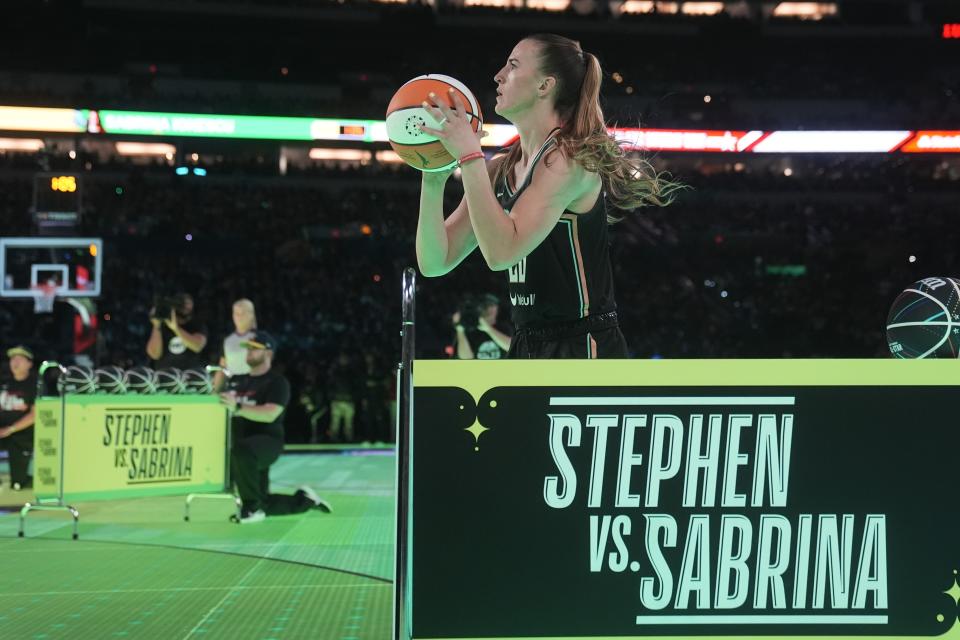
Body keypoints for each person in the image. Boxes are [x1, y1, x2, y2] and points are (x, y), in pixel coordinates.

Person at [416, 33, 682, 358]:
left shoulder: (568, 160)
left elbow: (502, 253)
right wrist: (432, 179)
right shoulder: (500, 168)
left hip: (583, 346)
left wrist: (470, 158)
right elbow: (434, 262)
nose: (498, 75)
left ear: (545, 86)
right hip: (526, 343)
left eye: (512, 66)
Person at [219, 331, 331, 523]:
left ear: (268, 353)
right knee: (262, 500)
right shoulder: (237, 380)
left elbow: (271, 413)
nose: (249, 352)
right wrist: (220, 376)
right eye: (248, 348)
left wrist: (238, 407)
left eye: (255, 349)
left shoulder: (277, 382)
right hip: (243, 442)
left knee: (241, 453)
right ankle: (304, 500)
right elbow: (218, 400)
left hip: (267, 442)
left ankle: (251, 510)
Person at [0, 346, 38, 490]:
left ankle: (24, 479)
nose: (15, 362)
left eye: (20, 359)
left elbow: (35, 415)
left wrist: (11, 429)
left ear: (29, 363)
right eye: (12, 358)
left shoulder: (35, 384)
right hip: (2, 431)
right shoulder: (4, 382)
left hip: (22, 435)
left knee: (18, 484)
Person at [146, 292, 208, 371]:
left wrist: (176, 329)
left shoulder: (197, 325)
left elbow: (197, 346)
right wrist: (156, 325)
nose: (186, 307)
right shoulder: (163, 327)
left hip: (189, 377)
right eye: (183, 304)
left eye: (188, 303)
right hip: (165, 377)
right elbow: (154, 354)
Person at [213, 298, 256, 392]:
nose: (239, 317)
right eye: (236, 313)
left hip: (253, 389)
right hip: (231, 389)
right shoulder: (228, 340)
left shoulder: (259, 338)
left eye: (243, 313)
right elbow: (222, 368)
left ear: (251, 315)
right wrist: (215, 392)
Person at [453, 294, 511, 359]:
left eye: (492, 305)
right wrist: (460, 330)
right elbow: (466, 358)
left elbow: (511, 347)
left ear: (497, 308)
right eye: (485, 306)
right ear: (479, 308)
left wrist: (488, 329)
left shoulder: (504, 328)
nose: (489, 309)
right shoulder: (472, 330)